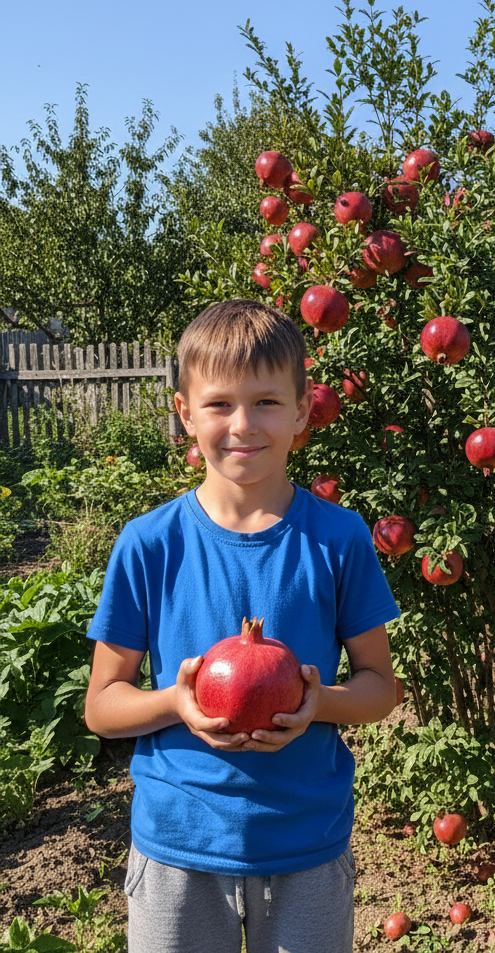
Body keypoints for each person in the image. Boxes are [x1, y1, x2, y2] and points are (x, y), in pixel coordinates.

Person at [84, 299, 400, 953]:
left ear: (303, 411)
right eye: (219, 404)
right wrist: (176, 702)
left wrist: (317, 704)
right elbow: (102, 706)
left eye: (266, 402)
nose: (243, 424)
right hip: (178, 845)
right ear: (185, 414)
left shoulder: (338, 539)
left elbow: (379, 688)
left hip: (306, 844)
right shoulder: (148, 545)